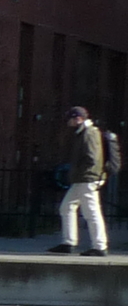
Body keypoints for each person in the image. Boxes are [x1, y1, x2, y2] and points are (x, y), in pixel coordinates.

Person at [52, 106, 110, 256]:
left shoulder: (90, 133)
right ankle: (69, 242)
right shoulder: (83, 133)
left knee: (92, 212)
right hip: (81, 179)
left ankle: (99, 246)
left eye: (70, 119)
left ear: (78, 119)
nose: (68, 122)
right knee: (67, 207)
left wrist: (89, 175)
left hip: (87, 179)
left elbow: (93, 158)